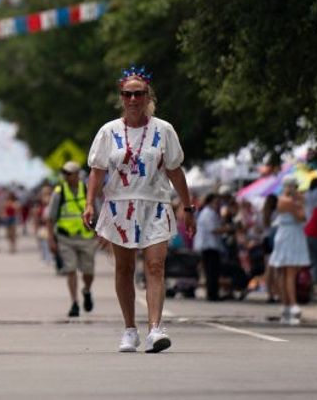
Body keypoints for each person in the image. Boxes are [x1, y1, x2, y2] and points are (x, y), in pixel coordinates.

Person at [82, 66, 195, 354]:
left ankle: (155, 329)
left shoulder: (163, 130)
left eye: (138, 94)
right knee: (125, 268)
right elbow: (96, 171)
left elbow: (175, 171)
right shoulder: (109, 132)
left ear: (147, 96)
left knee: (156, 266)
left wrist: (188, 206)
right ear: (121, 97)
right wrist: (88, 204)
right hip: (119, 206)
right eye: (127, 94)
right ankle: (130, 329)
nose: (133, 99)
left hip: (155, 204)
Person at [47, 162, 97, 317]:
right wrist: (51, 240)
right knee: (70, 269)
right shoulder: (59, 191)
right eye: (65, 174)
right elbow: (50, 218)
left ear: (77, 175)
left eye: (70, 173)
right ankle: (74, 302)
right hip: (65, 238)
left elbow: (99, 211)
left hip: (86, 237)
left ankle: (86, 290)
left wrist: (102, 234)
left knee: (88, 271)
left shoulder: (88, 190)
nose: (67, 176)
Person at [270, 175, 311, 324]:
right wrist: (300, 202)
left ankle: (286, 304)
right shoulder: (287, 201)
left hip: (287, 234)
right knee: (290, 272)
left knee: (285, 272)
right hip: (290, 235)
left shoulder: (284, 199)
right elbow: (301, 217)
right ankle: (292, 304)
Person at [194, 192, 231, 301]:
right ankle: (212, 294)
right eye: (216, 201)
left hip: (212, 245)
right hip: (208, 246)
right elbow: (214, 229)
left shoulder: (212, 213)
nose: (218, 203)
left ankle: (213, 293)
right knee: (211, 271)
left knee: (213, 271)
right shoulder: (208, 213)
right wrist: (228, 229)